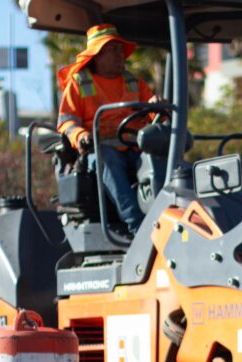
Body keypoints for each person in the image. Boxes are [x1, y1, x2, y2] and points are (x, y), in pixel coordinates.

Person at [56, 24, 155, 234]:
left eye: (121, 49)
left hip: (135, 148)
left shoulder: (133, 82)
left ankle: (163, 216)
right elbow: (66, 122)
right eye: (113, 50)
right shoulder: (78, 84)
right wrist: (81, 135)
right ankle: (138, 226)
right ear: (97, 55)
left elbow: (154, 112)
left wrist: (158, 106)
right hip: (97, 151)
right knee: (108, 159)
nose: (120, 55)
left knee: (159, 158)